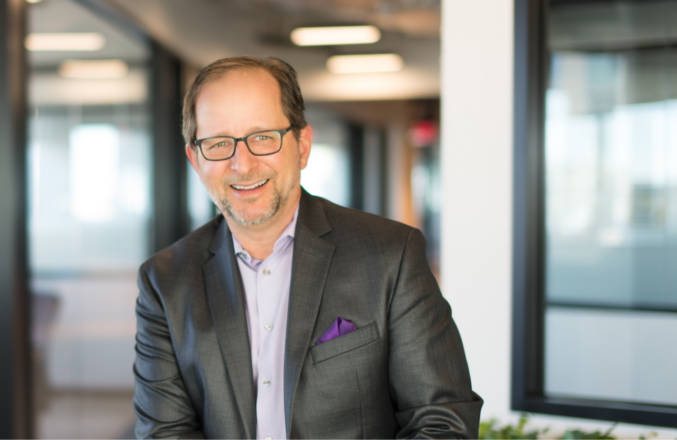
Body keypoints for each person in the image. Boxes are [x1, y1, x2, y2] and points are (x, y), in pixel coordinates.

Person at [132, 56, 482, 439]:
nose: (242, 163)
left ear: (301, 145)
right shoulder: (165, 281)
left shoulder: (390, 256)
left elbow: (442, 421)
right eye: (218, 143)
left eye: (263, 137)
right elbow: (165, 433)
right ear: (195, 160)